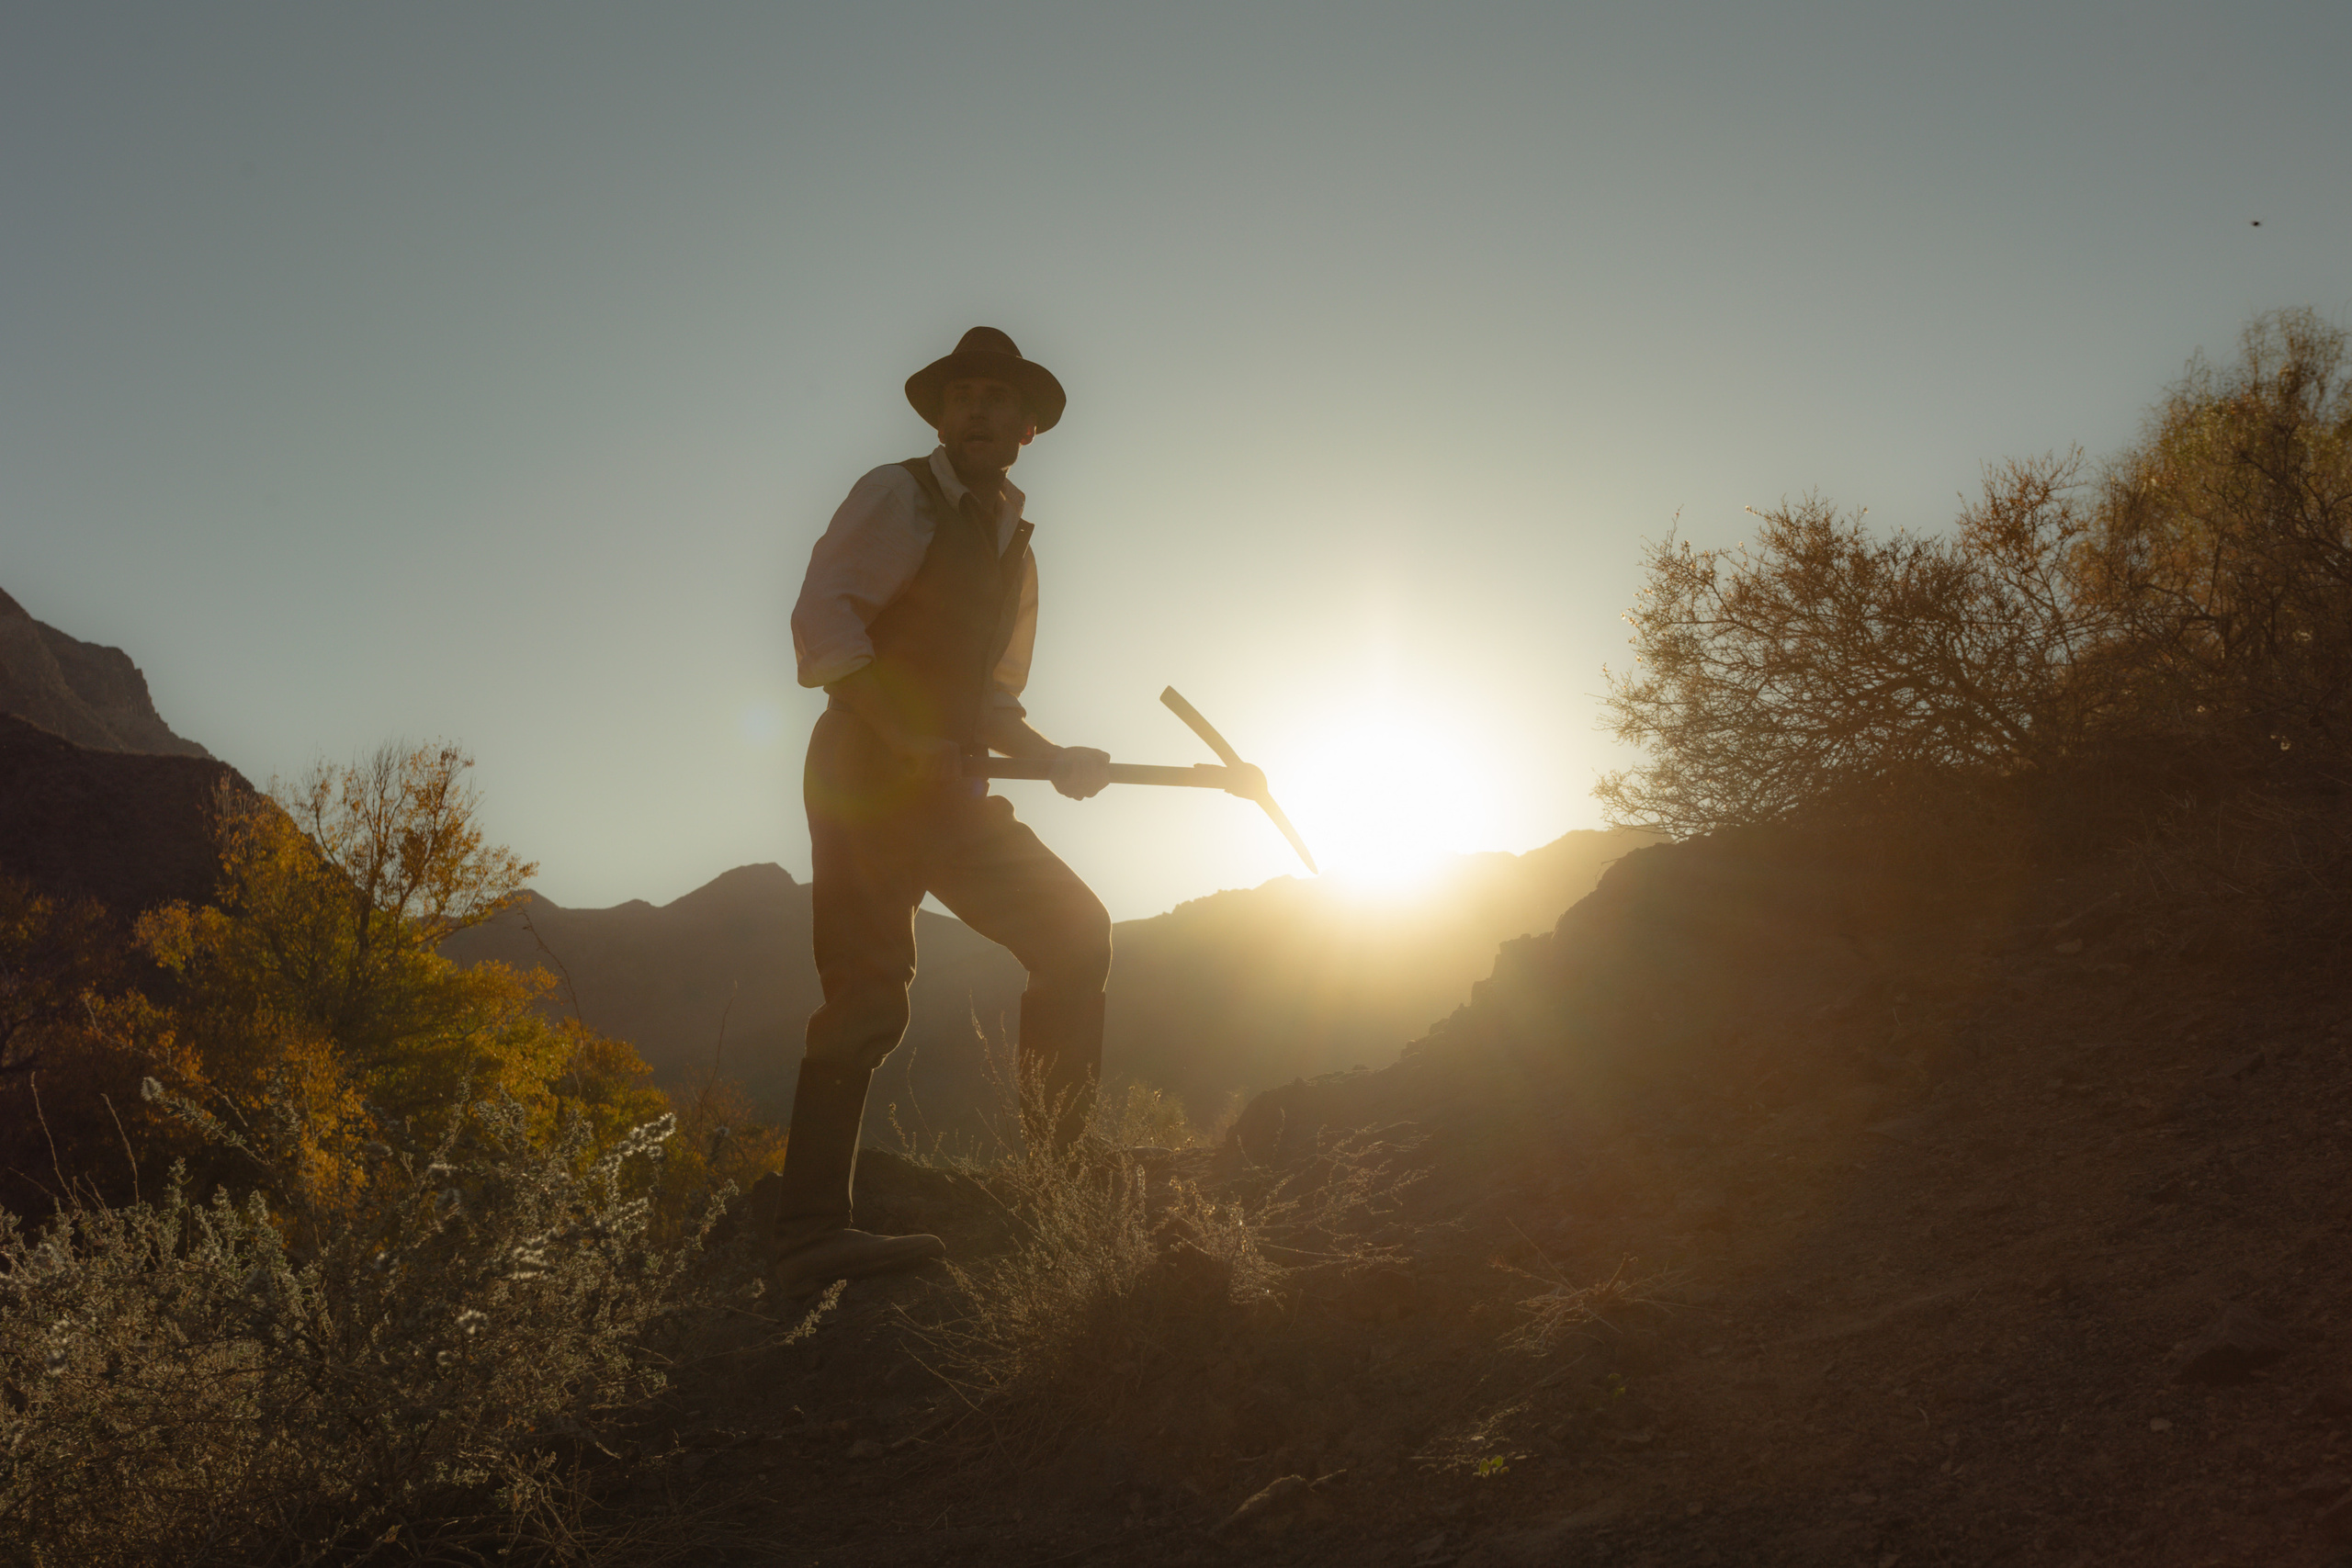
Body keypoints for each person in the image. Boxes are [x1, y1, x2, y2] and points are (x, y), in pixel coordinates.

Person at [773, 326, 1114, 1295]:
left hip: (952, 791)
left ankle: (1058, 1183)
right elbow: (822, 620)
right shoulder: (900, 496)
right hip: (865, 775)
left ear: (1029, 426)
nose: (976, 410)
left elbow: (994, 702)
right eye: (961, 395)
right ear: (939, 416)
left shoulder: (1012, 545)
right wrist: (900, 730)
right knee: (869, 993)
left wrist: (1054, 760)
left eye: (997, 398)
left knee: (1074, 933)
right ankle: (808, 1234)